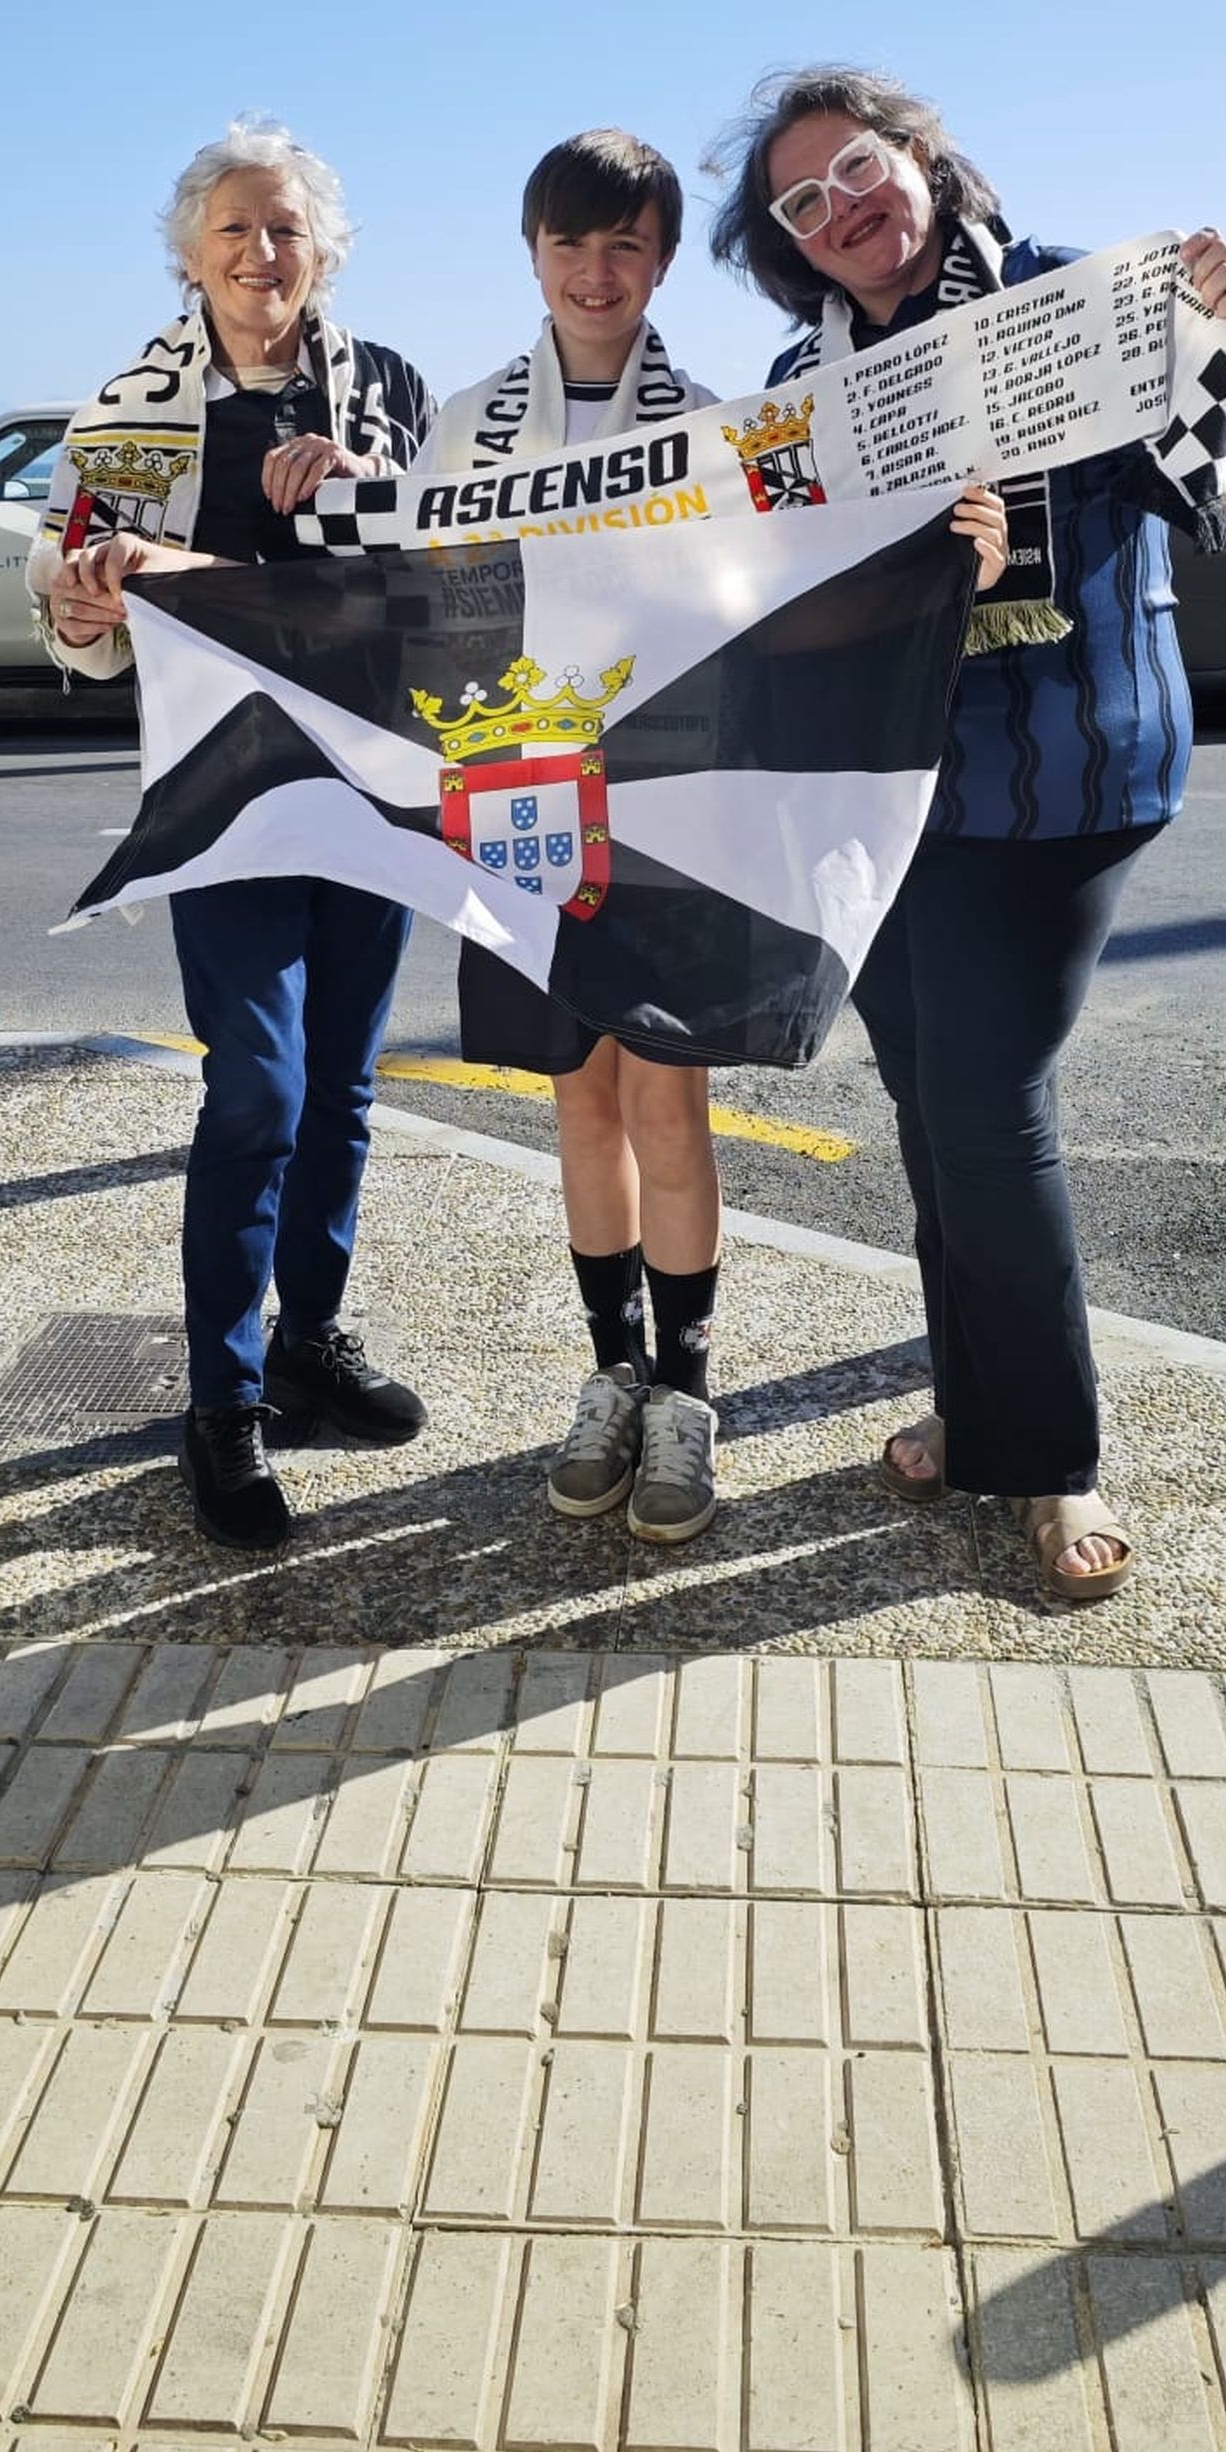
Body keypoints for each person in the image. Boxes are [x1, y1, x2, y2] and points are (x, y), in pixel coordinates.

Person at [710, 66, 1226, 1604]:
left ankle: (1048, 1453)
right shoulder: (801, 375)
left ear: (922, 154)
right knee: (928, 1102)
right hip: (884, 789)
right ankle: (977, 1404)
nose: (845, 204)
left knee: (985, 1100)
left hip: (1059, 772)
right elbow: (767, 584)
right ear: (787, 241)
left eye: (861, 165)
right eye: (803, 198)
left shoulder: (1072, 297)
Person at [27, 117, 434, 1555]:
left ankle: (313, 1337)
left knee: (345, 1085)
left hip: (369, 780)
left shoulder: (384, 387)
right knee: (256, 1085)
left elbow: (439, 572)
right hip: (226, 792)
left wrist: (362, 494)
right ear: (192, 255)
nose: (265, 255)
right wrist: (77, 612)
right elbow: (74, 588)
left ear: (325, 249)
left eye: (287, 230)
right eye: (236, 233)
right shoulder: (134, 406)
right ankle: (223, 1397)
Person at [421, 129, 728, 1545]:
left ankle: (685, 1387)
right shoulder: (466, 421)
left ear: (661, 260)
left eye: (627, 246)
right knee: (577, 1094)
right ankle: (607, 1370)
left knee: (670, 1098)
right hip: (519, 805)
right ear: (531, 253)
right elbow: (407, 602)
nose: (596, 273)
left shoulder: (717, 424)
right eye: (570, 243)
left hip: (663, 808)